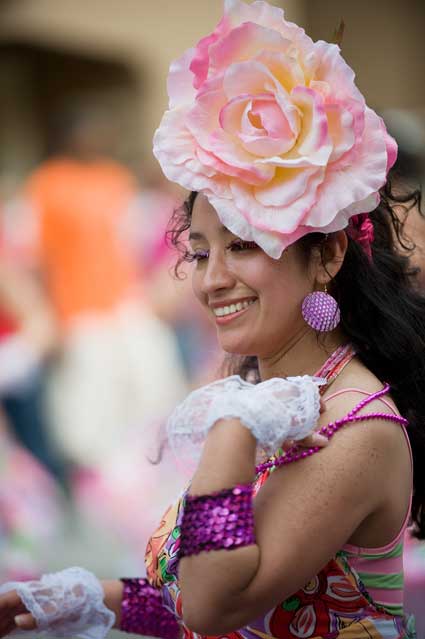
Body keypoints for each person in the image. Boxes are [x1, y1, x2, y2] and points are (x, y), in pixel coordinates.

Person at [0, 1, 424, 638]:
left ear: (328, 255)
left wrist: (233, 424)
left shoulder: (354, 423)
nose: (212, 278)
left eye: (243, 245)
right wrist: (89, 598)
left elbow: (216, 604)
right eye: (200, 252)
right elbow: (199, 588)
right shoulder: (279, 397)